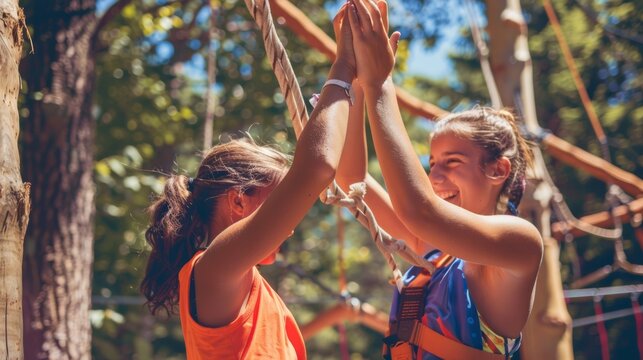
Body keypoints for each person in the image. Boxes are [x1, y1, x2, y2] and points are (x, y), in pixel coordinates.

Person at [140, 5, 359, 358]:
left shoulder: (240, 279)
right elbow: (318, 166)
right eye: (277, 201)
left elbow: (338, 170)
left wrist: (361, 80)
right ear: (238, 200)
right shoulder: (214, 267)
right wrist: (344, 64)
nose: (289, 227)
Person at [336, 0, 543, 358]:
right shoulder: (429, 247)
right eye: (432, 162)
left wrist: (380, 82)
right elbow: (352, 180)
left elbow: (421, 210)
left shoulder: (519, 244)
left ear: (497, 169)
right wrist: (355, 79)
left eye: (452, 161)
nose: (435, 174)